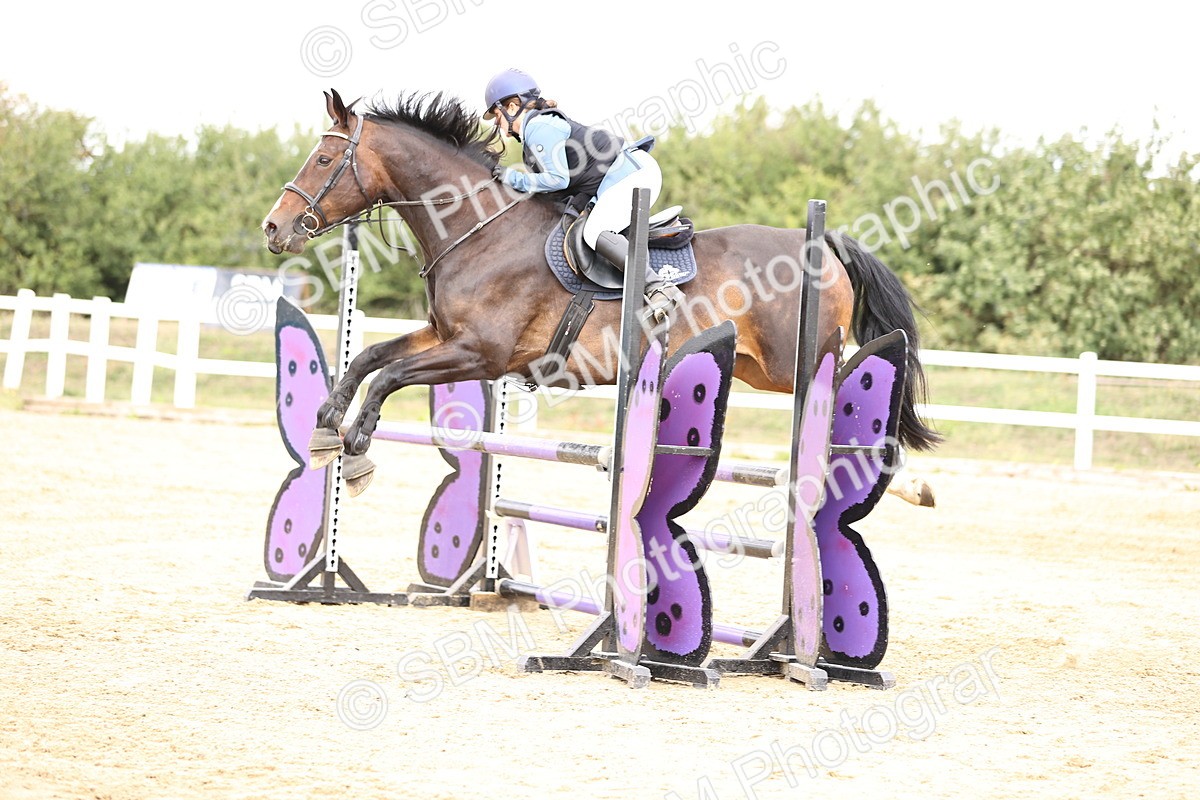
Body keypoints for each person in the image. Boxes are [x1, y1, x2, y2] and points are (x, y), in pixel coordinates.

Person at [483, 68, 663, 251]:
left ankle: (650, 281)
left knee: (594, 233)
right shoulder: (536, 128)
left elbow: (557, 179)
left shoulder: (538, 127)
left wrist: (512, 178)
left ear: (512, 107)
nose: (497, 123)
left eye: (497, 116)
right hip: (621, 178)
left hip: (630, 176)